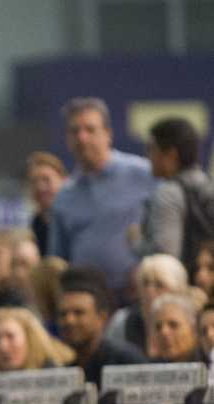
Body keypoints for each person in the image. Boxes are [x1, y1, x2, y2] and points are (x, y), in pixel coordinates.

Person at [47, 97, 155, 304]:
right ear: (67, 139)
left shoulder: (144, 175)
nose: (82, 138)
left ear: (108, 134)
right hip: (87, 307)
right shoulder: (64, 196)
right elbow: (58, 260)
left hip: (138, 298)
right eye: (74, 131)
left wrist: (146, 267)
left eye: (90, 129)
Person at [139, 117, 212, 270]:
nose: (149, 157)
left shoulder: (167, 194)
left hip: (182, 290)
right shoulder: (207, 184)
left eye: (151, 149)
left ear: (171, 154)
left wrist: (137, 243)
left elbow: (165, 259)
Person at [56, 267, 146, 385]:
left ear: (102, 318)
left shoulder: (126, 363)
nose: (69, 320)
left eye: (79, 313)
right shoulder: (67, 371)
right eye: (63, 314)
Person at [105, 254, 192, 358]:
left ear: (177, 289)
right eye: (145, 283)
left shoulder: (192, 317)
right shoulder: (122, 320)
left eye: (159, 284)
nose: (149, 291)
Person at [25, 152, 67, 256]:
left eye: (46, 180)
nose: (40, 187)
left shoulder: (73, 221)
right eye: (34, 181)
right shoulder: (36, 224)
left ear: (64, 181)